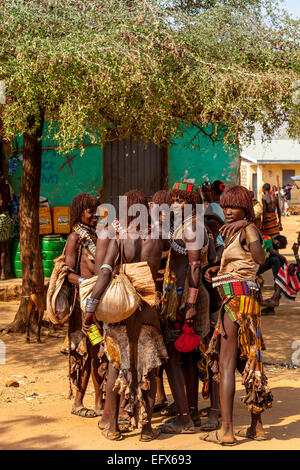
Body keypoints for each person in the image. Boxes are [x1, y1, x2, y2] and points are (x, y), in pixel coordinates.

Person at [83, 190, 169, 442]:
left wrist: (91, 307)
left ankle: (113, 427)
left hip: (122, 312)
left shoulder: (120, 237)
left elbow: (106, 272)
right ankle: (146, 428)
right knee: (149, 370)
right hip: (147, 311)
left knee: (115, 366)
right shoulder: (157, 235)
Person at [202, 185, 273, 446]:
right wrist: (215, 271)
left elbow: (259, 257)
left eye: (233, 206)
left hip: (237, 303)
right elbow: (241, 263)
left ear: (245, 207)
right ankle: (257, 427)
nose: (227, 211)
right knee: (249, 362)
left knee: (227, 365)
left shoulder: (247, 229)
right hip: (244, 302)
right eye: (225, 206)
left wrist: (248, 226)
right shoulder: (236, 231)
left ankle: (227, 430)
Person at [158, 182, 211, 434]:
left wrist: (188, 304)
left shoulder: (192, 226)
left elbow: (194, 267)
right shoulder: (185, 224)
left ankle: (184, 418)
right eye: (174, 200)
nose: (175, 204)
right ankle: (191, 412)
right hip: (179, 297)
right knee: (187, 357)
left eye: (181, 200)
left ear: (192, 203)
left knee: (172, 357)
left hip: (183, 299)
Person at [64, 193, 106, 418]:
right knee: (90, 352)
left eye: (96, 210)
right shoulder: (75, 238)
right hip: (84, 306)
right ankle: (83, 402)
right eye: (90, 211)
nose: (95, 214)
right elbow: (67, 274)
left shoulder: (96, 235)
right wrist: (87, 283)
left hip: (98, 303)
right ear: (79, 213)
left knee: (96, 353)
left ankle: (97, 401)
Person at [262, 232, 300, 307]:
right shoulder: (267, 239)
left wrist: (296, 254)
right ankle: (274, 299)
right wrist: (293, 264)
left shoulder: (269, 241)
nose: (298, 239)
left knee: (284, 271)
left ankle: (274, 299)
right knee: (284, 269)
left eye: (299, 237)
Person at [0, 171, 12, 280]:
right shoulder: (5, 186)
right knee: (3, 247)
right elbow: (8, 201)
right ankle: (3, 273)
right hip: (3, 217)